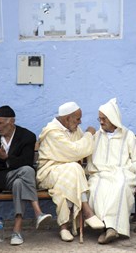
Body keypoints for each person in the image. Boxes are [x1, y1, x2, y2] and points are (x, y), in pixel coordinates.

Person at [0, 105, 52, 245]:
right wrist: (5, 160)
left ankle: (17, 230)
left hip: (20, 177)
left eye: (0, 123)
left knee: (20, 182)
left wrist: (6, 157)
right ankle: (38, 212)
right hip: (0, 178)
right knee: (27, 171)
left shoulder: (27, 136)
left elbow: (26, 161)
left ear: (11, 122)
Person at [36, 102, 100, 242]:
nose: (80, 122)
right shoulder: (52, 132)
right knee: (74, 169)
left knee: (69, 177)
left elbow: (82, 150)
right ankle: (87, 211)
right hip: (49, 172)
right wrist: (89, 134)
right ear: (66, 119)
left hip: (67, 174)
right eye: (77, 119)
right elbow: (75, 152)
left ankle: (64, 227)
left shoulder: (74, 128)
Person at [86, 98, 136, 244]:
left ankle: (111, 228)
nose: (101, 121)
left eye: (104, 118)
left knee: (120, 186)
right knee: (96, 189)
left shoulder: (128, 135)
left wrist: (129, 169)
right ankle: (107, 227)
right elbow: (83, 153)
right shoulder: (95, 137)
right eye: (99, 118)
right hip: (100, 173)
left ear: (113, 118)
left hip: (122, 173)